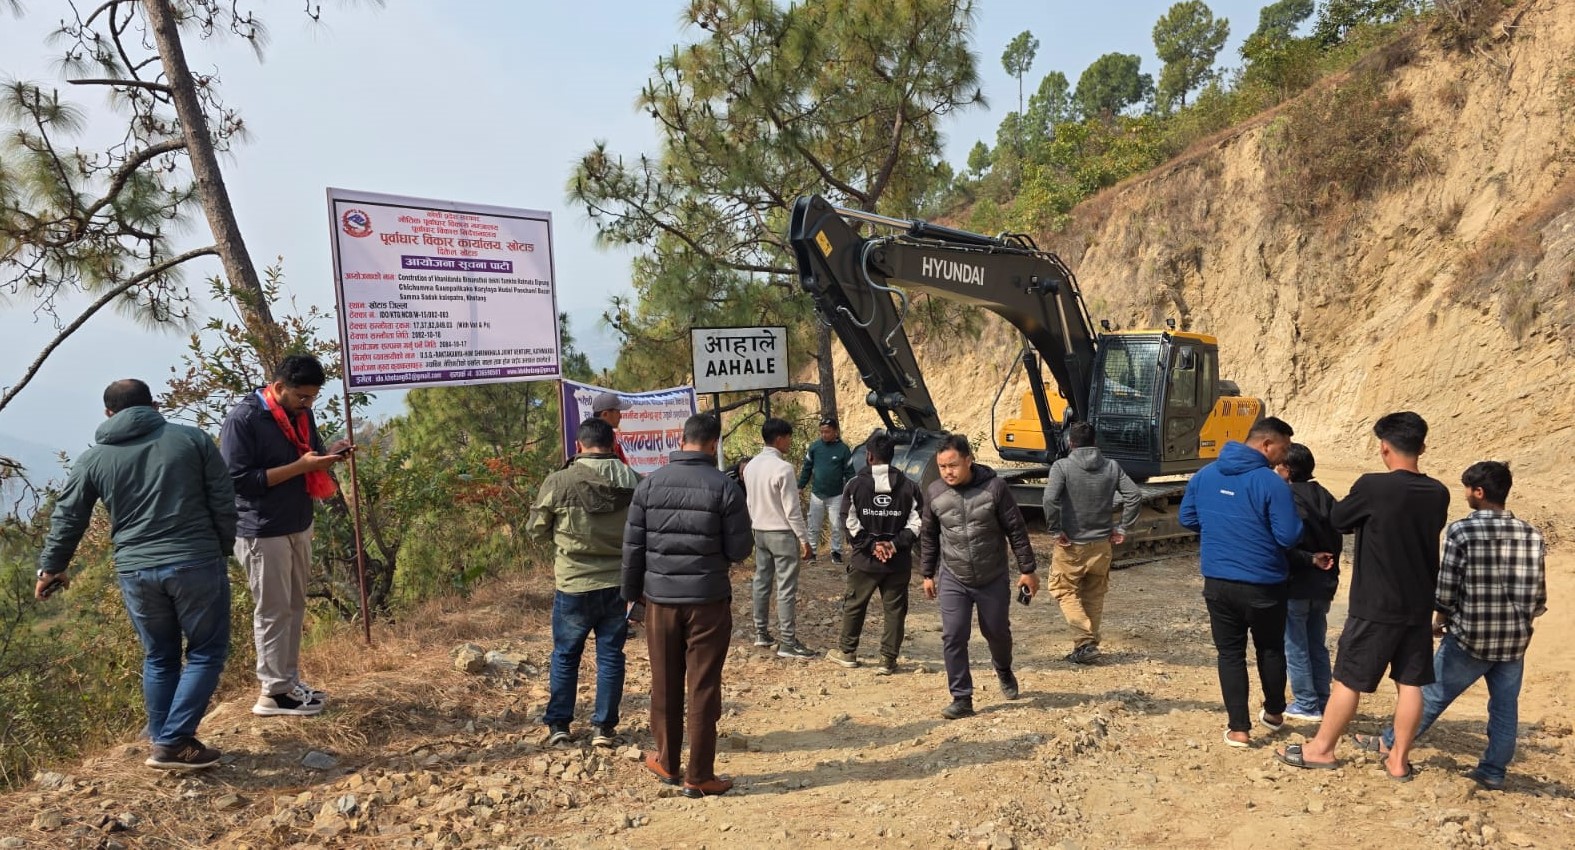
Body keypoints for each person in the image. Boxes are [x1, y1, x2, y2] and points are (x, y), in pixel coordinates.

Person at [36, 379, 237, 770]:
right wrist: (221, 548)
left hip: (135, 570)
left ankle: (164, 735)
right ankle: (174, 740)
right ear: (154, 405)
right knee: (206, 652)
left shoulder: (93, 458)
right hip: (195, 561)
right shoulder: (192, 440)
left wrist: (52, 567)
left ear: (108, 414)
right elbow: (223, 499)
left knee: (159, 655)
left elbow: (68, 516)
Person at [1276, 412, 1450, 781]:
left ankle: (1321, 749)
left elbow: (1339, 520)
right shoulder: (1438, 492)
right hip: (1418, 604)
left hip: (1376, 602)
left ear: (1384, 448)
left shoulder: (1373, 486)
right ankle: (1398, 760)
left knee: (1348, 680)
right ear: (1422, 447)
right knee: (1411, 683)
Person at [1358, 461, 1546, 790]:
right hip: (1515, 639)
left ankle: (1390, 742)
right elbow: (1537, 592)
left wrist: (1439, 620)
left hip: (1471, 635)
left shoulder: (1462, 531)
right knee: (1504, 709)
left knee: (1432, 695)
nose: (1465, 495)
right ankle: (1493, 772)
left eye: (1467, 489)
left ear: (1479, 492)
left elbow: (1447, 586)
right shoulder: (1531, 534)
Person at [623, 414, 752, 799]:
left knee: (664, 682)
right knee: (703, 686)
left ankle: (666, 761)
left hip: (660, 602)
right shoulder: (725, 488)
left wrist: (632, 597)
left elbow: (632, 550)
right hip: (708, 601)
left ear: (682, 440)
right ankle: (699, 776)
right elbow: (740, 549)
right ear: (713, 444)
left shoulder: (649, 484)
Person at [220, 354, 348, 718]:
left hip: (298, 521)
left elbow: (312, 454)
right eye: (302, 397)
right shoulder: (243, 419)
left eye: (312, 398)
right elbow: (240, 481)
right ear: (277, 388)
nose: (307, 405)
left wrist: (330, 456)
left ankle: (288, 682)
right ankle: (272, 692)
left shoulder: (301, 414)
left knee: (294, 605)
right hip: (262, 530)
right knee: (273, 610)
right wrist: (300, 468)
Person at [1179, 417, 1302, 748]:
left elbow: (1187, 518)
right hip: (1264, 583)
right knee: (1271, 647)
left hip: (1218, 582)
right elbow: (1288, 535)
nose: (1285, 456)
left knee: (1230, 654)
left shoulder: (1205, 475)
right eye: (1284, 448)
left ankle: (1239, 729)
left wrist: (1221, 530)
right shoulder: (1272, 483)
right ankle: (1275, 713)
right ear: (1266, 444)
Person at [527, 417, 640, 748]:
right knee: (611, 655)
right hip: (618, 584)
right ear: (612, 444)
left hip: (574, 583)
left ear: (578, 446)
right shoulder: (632, 479)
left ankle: (560, 725)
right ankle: (603, 728)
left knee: (565, 655)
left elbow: (535, 530)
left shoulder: (559, 481)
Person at [919, 434, 1039, 720]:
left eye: (953, 465)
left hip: (992, 575)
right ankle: (961, 697)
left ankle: (1003, 668)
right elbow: (928, 536)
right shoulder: (934, 492)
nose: (948, 472)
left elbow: (1016, 531)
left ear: (968, 461)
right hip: (953, 576)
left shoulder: (995, 489)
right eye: (942, 466)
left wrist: (1028, 571)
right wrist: (927, 573)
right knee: (953, 635)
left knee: (997, 632)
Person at [1041, 421, 1143, 665]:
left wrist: (1056, 530)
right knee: (1094, 594)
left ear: (1069, 443)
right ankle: (1087, 647)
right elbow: (1134, 495)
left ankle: (1085, 642)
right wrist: (1122, 528)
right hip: (1102, 544)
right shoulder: (1111, 466)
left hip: (1071, 544)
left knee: (1064, 590)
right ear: (1095, 443)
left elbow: (1050, 499)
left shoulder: (1062, 466)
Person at [830, 430, 923, 674]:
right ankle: (888, 660)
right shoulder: (910, 487)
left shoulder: (855, 485)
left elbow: (848, 521)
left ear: (869, 456)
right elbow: (916, 524)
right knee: (894, 610)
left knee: (855, 605)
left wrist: (872, 546)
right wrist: (893, 544)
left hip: (865, 562)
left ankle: (847, 652)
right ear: (892, 456)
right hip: (898, 562)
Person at [1276, 443, 1342, 722]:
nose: (1274, 470)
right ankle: (1324, 700)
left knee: (1295, 644)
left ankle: (1305, 702)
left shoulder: (1285, 497)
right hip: (1324, 583)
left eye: (1278, 465)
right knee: (1317, 642)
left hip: (1298, 581)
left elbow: (1284, 541)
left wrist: (1308, 558)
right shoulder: (1324, 494)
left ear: (1287, 469)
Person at [743, 418, 816, 659]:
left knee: (761, 582)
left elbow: (750, 501)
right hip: (782, 534)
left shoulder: (751, 466)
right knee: (786, 588)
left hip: (760, 532)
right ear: (780, 438)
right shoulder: (783, 468)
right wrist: (804, 540)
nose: (790, 442)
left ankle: (761, 633)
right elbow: (792, 510)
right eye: (789, 437)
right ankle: (787, 641)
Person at [798, 416, 853, 564]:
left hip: (836, 495)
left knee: (837, 525)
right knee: (813, 525)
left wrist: (854, 490)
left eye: (827, 431)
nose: (824, 434)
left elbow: (850, 472)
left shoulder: (843, 449)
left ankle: (836, 552)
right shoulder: (815, 447)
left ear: (835, 431)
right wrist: (800, 486)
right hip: (817, 494)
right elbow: (807, 469)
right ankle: (812, 553)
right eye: (821, 432)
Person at [591, 391, 633, 464]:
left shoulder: (610, 435)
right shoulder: (593, 438)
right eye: (618, 412)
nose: (620, 416)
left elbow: (623, 465)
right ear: (605, 414)